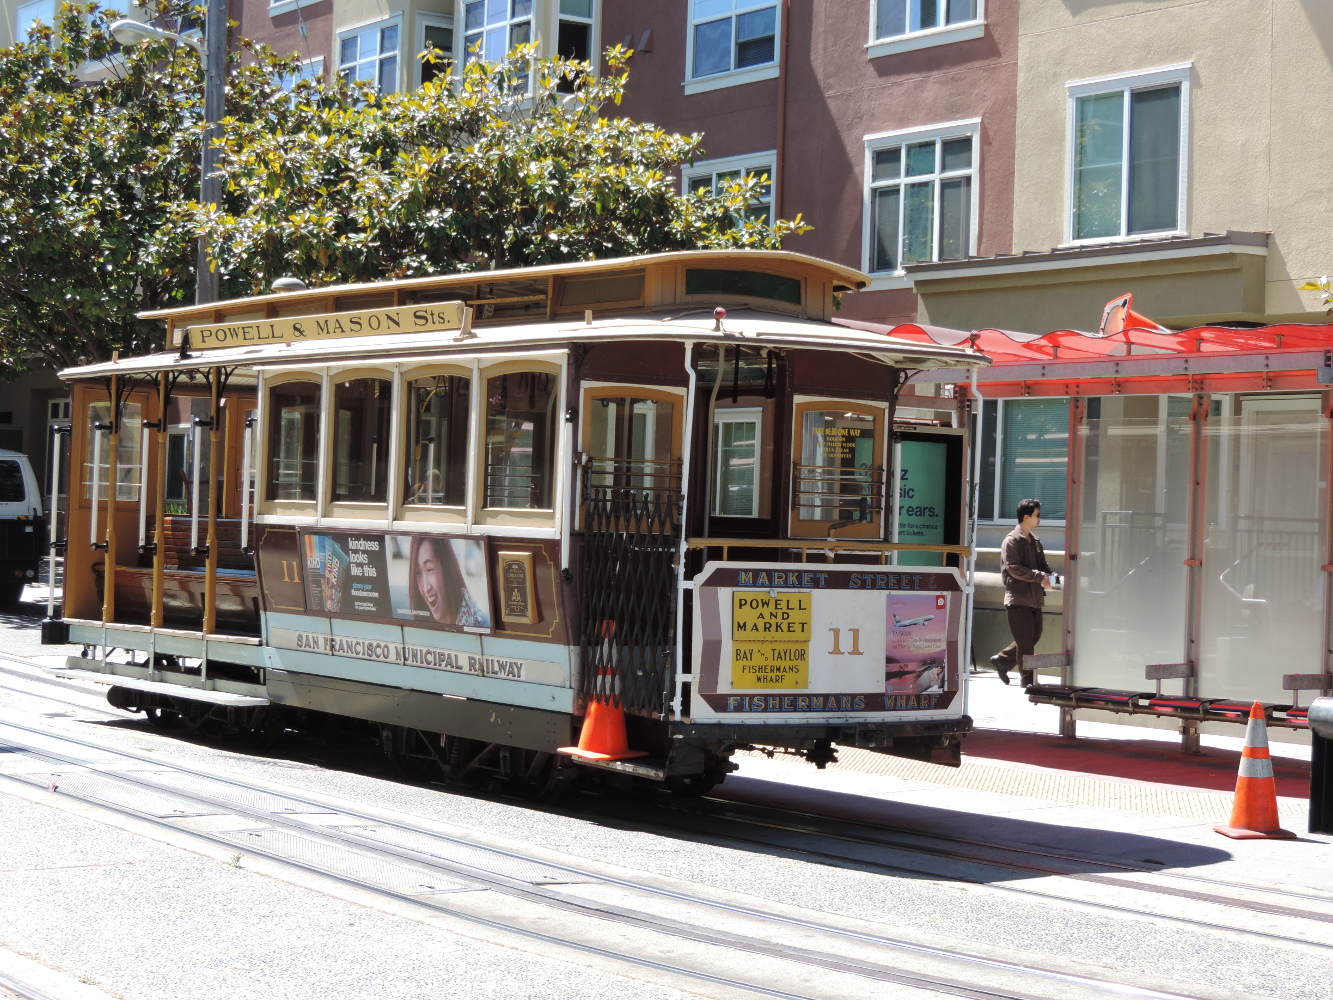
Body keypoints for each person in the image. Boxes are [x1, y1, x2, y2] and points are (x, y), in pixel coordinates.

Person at [990, 498, 1053, 686]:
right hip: (1018, 599)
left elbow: (1043, 566)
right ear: (1026, 517)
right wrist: (1039, 577)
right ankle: (1027, 679)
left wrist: (1051, 577)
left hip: (1034, 598)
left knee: (1032, 636)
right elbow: (1013, 568)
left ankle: (1003, 660)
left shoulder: (1035, 541)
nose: (1039, 519)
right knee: (1025, 642)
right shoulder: (1011, 541)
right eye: (1037, 515)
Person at [408, 536, 487, 627]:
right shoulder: (418, 628)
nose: (426, 588)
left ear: (446, 569)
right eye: (418, 573)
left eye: (429, 569)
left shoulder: (480, 624)